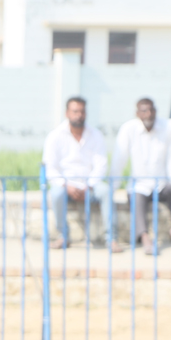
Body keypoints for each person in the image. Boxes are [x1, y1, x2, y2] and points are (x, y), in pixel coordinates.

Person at [42, 96, 122, 251]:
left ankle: (111, 239)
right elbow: (50, 168)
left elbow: (101, 165)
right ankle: (63, 236)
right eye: (75, 111)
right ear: (67, 113)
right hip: (65, 186)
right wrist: (66, 185)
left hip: (90, 186)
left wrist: (88, 185)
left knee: (106, 191)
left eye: (82, 111)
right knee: (56, 194)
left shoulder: (96, 135)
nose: (79, 115)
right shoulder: (55, 136)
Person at [111, 98, 171, 255]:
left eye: (151, 110)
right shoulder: (128, 129)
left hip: (163, 183)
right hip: (140, 185)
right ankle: (145, 237)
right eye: (144, 111)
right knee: (136, 195)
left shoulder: (169, 127)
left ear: (156, 111)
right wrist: (113, 188)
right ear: (137, 113)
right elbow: (119, 160)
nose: (148, 114)